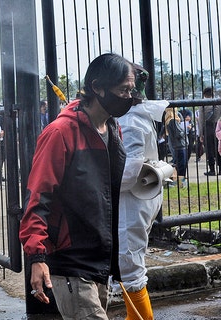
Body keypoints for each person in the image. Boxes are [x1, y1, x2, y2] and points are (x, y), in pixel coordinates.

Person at [19, 53, 134, 319]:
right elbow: (38, 197)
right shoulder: (60, 133)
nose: (129, 97)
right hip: (71, 261)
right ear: (97, 87)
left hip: (101, 260)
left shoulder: (114, 130)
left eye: (131, 90)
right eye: (123, 90)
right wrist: (37, 258)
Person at [116, 65, 169, 319]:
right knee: (130, 261)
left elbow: (129, 173)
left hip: (132, 201)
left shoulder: (130, 120)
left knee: (129, 265)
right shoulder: (139, 113)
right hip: (139, 200)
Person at [199, 87, 221, 175]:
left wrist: (201, 133)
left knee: (209, 150)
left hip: (207, 127)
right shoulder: (218, 103)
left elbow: (201, 120)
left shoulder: (202, 104)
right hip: (218, 126)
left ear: (204, 94)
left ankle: (212, 170)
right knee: (219, 148)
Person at [164, 107, 188, 187]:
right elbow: (178, 133)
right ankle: (180, 183)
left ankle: (179, 182)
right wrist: (185, 130)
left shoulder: (169, 120)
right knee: (181, 165)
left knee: (179, 164)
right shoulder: (173, 120)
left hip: (176, 145)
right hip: (179, 145)